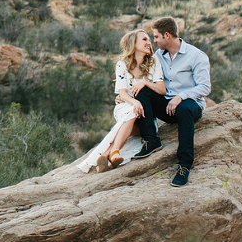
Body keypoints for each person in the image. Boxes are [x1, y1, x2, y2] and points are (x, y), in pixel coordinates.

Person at [129, 16, 211, 187]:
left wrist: (181, 97)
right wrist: (124, 94)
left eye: (157, 36)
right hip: (167, 104)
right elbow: (146, 78)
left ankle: (184, 165)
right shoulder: (159, 56)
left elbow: (205, 87)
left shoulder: (196, 56)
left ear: (167, 35)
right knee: (142, 89)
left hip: (190, 104)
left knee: (185, 108)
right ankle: (151, 139)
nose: (155, 41)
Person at [76, 29, 166, 173]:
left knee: (137, 127)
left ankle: (106, 155)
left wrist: (145, 83)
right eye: (144, 40)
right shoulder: (122, 65)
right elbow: (122, 94)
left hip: (145, 112)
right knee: (132, 111)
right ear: (133, 44)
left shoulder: (153, 63)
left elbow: (162, 90)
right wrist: (135, 102)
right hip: (126, 106)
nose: (149, 43)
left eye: (149, 40)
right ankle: (115, 152)